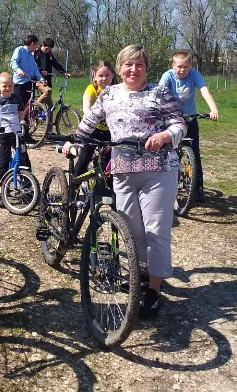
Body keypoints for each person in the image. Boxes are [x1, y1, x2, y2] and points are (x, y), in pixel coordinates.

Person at [60, 45, 186, 319]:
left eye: (139, 65)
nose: (133, 70)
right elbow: (89, 123)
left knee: (156, 230)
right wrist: (72, 141)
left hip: (158, 168)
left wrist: (164, 137)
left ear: (146, 67)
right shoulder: (109, 94)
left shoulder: (159, 92)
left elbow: (179, 124)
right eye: (128, 65)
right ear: (120, 68)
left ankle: (153, 289)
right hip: (123, 170)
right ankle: (140, 273)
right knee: (131, 230)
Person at [158, 50, 220, 197]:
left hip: (190, 118)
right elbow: (159, 94)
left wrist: (213, 109)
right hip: (171, 119)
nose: (182, 70)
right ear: (173, 65)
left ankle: (198, 189)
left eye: (186, 67)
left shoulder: (194, 75)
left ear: (190, 66)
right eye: (179, 66)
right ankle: (163, 186)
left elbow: (204, 91)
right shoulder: (167, 76)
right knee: (165, 152)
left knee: (195, 154)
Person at [72, 61, 116, 178]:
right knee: (83, 160)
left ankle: (104, 191)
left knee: (109, 164)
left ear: (113, 76)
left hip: (110, 132)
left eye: (107, 75)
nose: (104, 78)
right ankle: (72, 190)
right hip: (93, 130)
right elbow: (87, 109)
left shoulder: (117, 90)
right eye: (100, 75)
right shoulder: (91, 89)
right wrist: (91, 116)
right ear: (94, 76)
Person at [0, 71, 31, 208]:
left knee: (23, 158)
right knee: (4, 161)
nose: (7, 88)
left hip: (16, 132)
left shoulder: (16, 98)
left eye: (10, 85)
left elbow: (21, 114)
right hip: (3, 133)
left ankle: (28, 187)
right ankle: (2, 190)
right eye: (4, 86)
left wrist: (22, 125)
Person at [9, 34, 43, 109]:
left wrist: (41, 79)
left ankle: (27, 120)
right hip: (20, 82)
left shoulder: (31, 55)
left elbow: (35, 69)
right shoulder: (20, 50)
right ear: (32, 44)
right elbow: (13, 62)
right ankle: (18, 120)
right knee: (20, 105)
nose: (37, 47)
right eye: (36, 44)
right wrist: (19, 71)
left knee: (29, 105)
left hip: (29, 82)